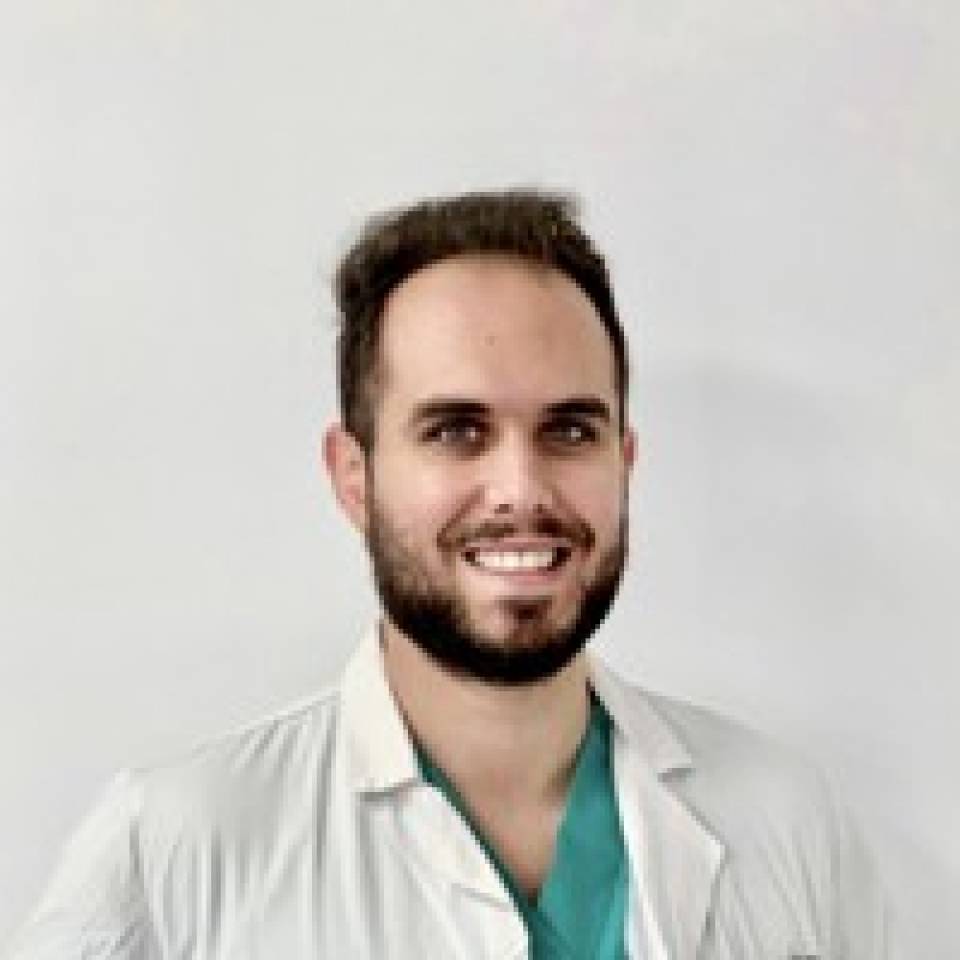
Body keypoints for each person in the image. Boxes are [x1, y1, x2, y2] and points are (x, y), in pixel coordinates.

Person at [4, 191, 893, 959]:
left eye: (569, 430)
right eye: (456, 431)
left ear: (624, 461)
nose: (521, 489)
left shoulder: (784, 818)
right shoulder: (174, 848)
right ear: (354, 477)